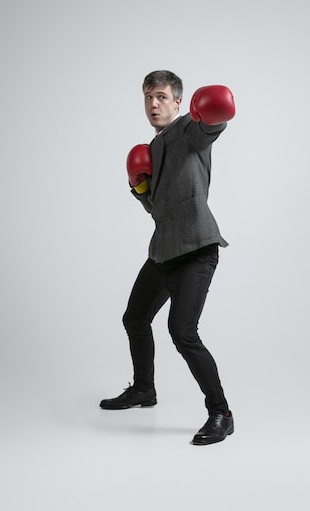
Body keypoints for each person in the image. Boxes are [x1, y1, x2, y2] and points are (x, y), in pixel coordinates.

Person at [100, 70, 236, 445]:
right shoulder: (152, 147)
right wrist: (141, 188)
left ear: (178, 102)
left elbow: (212, 125)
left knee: (182, 332)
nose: (153, 104)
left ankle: (221, 413)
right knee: (135, 318)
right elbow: (158, 211)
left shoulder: (189, 129)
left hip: (196, 251)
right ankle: (144, 389)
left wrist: (215, 114)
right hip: (163, 252)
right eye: (148, 97)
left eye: (161, 96)